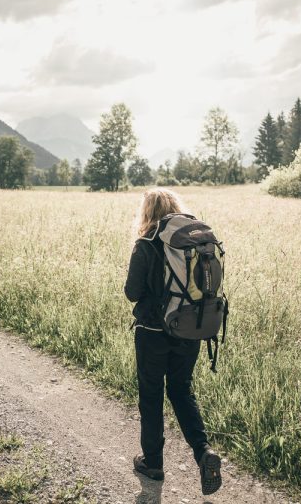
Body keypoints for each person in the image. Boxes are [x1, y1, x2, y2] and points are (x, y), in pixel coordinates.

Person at [124, 187, 222, 495]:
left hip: (152, 333)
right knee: (181, 390)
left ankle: (152, 462)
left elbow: (132, 293)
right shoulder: (192, 244)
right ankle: (203, 452)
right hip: (188, 328)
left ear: (147, 212)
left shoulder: (146, 244)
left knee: (151, 395)